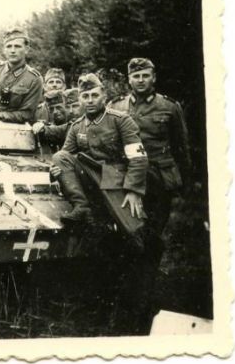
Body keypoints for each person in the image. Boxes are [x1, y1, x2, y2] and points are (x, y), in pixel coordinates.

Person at [108, 58, 192, 333]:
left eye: (145, 75)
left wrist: (184, 183)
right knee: (128, 237)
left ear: (153, 77)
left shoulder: (169, 107)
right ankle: (124, 299)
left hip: (158, 184)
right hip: (127, 182)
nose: (141, 80)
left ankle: (143, 301)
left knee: (150, 239)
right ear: (129, 80)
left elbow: (181, 147)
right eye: (136, 76)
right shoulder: (117, 106)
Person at [51, 73, 148, 226]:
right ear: (80, 99)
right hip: (90, 179)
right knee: (59, 156)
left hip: (117, 179)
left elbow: (138, 158)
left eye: (94, 95)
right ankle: (82, 207)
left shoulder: (121, 120)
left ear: (104, 96)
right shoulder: (77, 126)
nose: (90, 100)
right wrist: (55, 170)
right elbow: (64, 157)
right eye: (85, 96)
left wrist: (133, 190)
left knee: (134, 229)